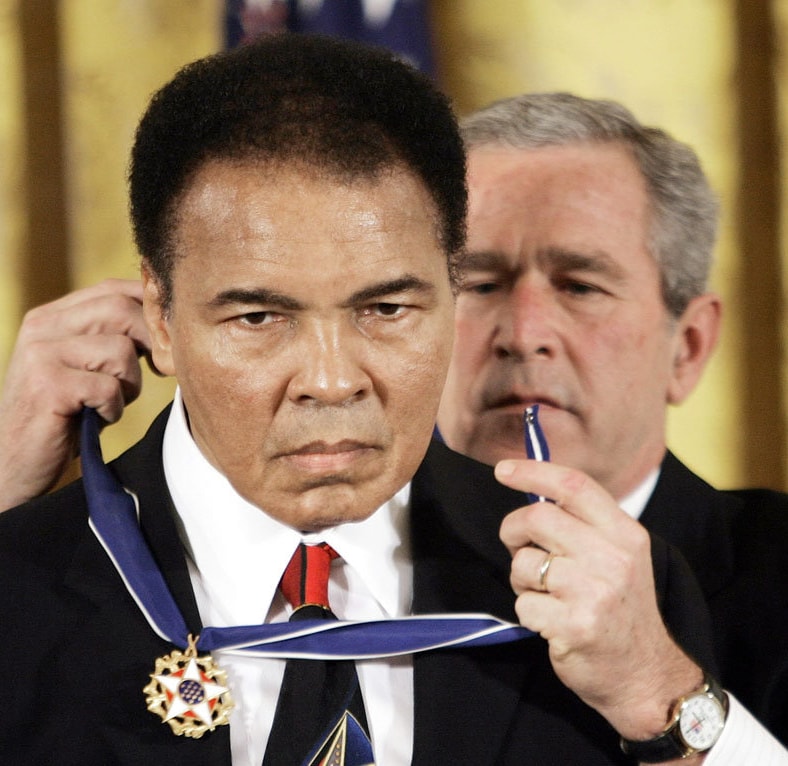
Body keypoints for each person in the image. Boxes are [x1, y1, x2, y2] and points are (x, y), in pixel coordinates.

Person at [0, 35, 721, 766]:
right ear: (161, 313)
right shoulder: (17, 586)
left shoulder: (617, 596)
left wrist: (660, 700)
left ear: (450, 288)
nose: (332, 378)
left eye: (385, 309)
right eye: (259, 318)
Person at [436, 92, 788, 752]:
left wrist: (660, 690)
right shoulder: (327, 570)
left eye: (580, 286)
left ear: (686, 348)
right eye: (479, 283)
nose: (523, 332)